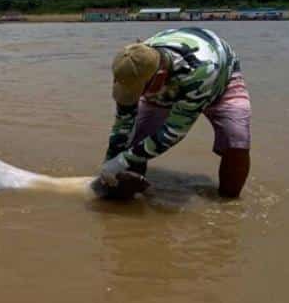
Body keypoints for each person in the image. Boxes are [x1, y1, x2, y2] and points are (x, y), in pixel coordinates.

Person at [92, 27, 251, 200]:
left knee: (236, 142)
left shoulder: (202, 71)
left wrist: (122, 161)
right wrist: (110, 161)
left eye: (139, 91)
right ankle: (125, 197)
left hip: (219, 77)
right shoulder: (132, 63)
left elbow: (173, 132)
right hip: (165, 84)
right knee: (134, 141)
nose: (134, 95)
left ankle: (229, 204)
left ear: (159, 76)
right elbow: (123, 122)